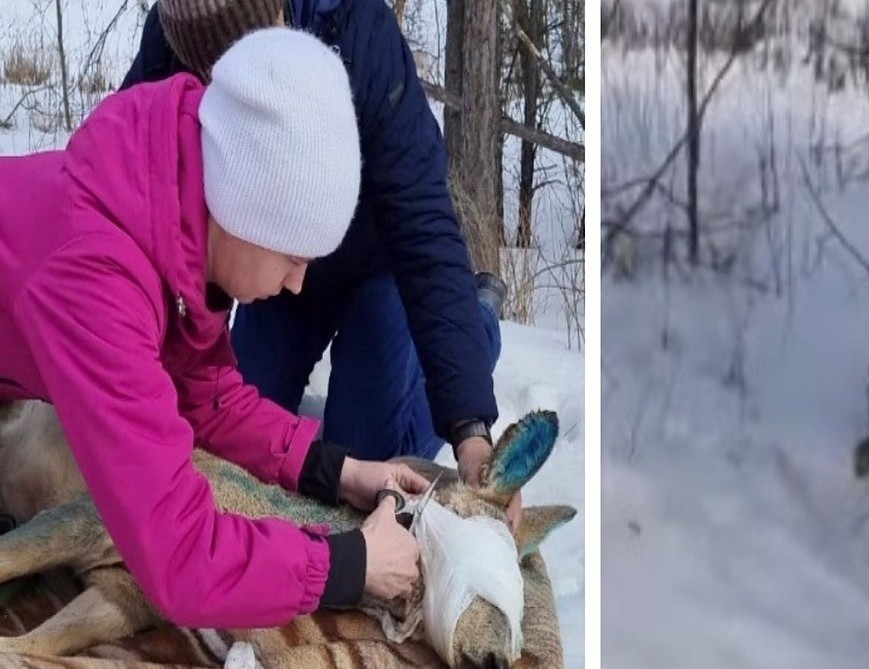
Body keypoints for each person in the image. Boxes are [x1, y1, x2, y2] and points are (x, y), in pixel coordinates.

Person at [0, 27, 427, 629]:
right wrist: (349, 565)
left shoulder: (170, 220)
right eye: (293, 257)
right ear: (243, 208)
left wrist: (341, 471)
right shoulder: (99, 276)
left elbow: (206, 395)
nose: (298, 284)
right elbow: (180, 558)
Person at [120, 0, 523, 527]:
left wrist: (470, 427)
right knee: (229, 446)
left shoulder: (362, 32)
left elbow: (422, 222)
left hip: (377, 263)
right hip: (270, 267)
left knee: (362, 457)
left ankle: (481, 325)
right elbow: (128, 165)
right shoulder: (186, 21)